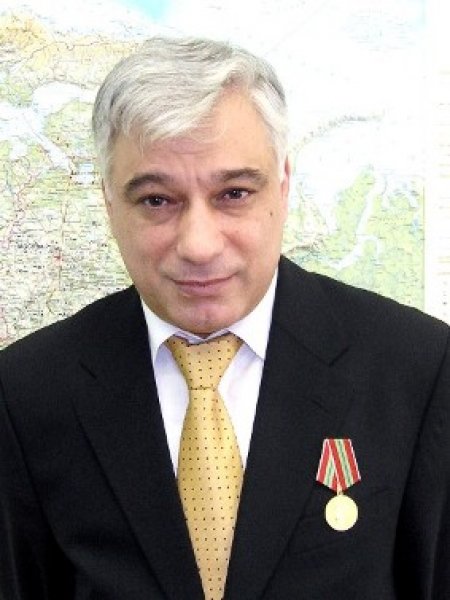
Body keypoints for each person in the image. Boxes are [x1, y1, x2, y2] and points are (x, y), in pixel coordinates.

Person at [0, 36, 449, 600]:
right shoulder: (26, 393)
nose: (199, 244)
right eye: (157, 200)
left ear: (283, 185)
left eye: (233, 193)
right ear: (110, 203)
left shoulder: (417, 369)